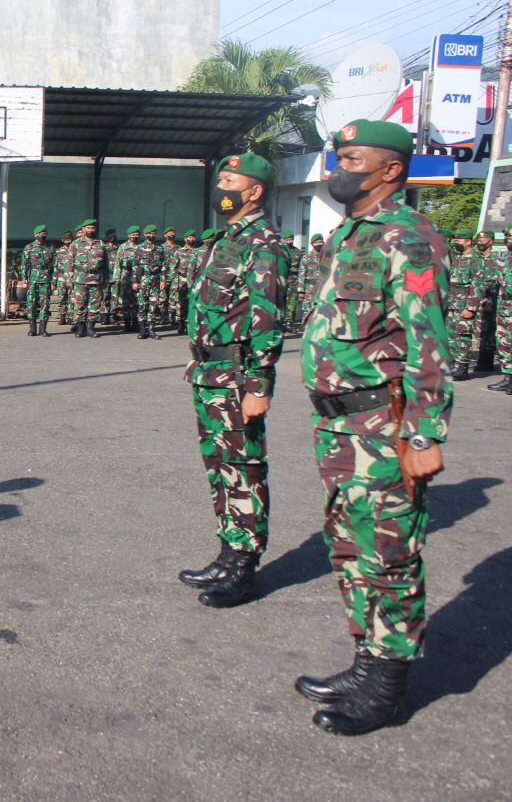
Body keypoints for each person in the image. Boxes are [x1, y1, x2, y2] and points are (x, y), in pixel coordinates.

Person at [296, 119, 451, 735]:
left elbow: (428, 340)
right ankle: (367, 659)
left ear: (389, 171)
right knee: (350, 547)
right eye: (339, 155)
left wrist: (423, 434)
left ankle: (387, 688)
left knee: (389, 553)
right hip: (341, 426)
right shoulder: (351, 237)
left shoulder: (410, 238)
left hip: (382, 425)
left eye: (351, 157)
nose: (339, 166)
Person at [177, 152, 287, 609]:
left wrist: (259, 384)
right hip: (209, 372)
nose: (220, 185)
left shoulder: (263, 243)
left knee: (243, 470)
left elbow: (267, 319)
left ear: (254, 190)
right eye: (220, 177)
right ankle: (227, 551)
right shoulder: (226, 240)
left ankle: (243, 568)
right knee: (220, 469)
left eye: (229, 179)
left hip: (237, 377)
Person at [445, 228, 480, 380]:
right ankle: (453, 363)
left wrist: (471, 308)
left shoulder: (475, 259)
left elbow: (477, 285)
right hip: (452, 303)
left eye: (459, 240)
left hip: (464, 304)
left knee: (463, 336)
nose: (456, 243)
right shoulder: (458, 258)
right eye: (456, 240)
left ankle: (462, 366)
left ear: (468, 242)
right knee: (451, 336)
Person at [68, 219, 107, 338]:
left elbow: (105, 263)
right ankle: (80, 329)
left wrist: (105, 279)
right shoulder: (76, 243)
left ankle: (90, 329)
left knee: (94, 305)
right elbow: (69, 263)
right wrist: (69, 279)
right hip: (80, 278)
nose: (90, 230)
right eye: (88, 228)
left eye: (92, 228)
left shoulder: (100, 243)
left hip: (96, 278)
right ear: (83, 229)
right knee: (80, 304)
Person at [473, 229, 501, 371]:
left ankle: (486, 360)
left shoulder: (497, 259)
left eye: (483, 240)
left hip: (490, 299)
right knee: (475, 330)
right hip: (474, 298)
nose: (480, 242)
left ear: (491, 241)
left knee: (488, 330)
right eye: (479, 240)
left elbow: (498, 281)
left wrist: (490, 298)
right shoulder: (475, 258)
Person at [132, 224, 166, 339]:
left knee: (154, 305)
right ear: (145, 234)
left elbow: (164, 266)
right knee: (142, 305)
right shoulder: (139, 248)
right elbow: (135, 266)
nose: (151, 235)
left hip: (156, 281)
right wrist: (135, 281)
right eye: (149, 233)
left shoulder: (160, 248)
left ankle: (151, 330)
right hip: (143, 280)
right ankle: (142, 330)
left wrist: (163, 280)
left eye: (153, 233)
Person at [20, 224, 55, 336]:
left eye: (44, 233)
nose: (41, 235)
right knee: (31, 304)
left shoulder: (51, 248)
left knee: (45, 305)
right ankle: (32, 328)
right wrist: (24, 279)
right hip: (32, 281)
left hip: (46, 281)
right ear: (35, 235)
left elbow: (56, 266)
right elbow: (24, 265)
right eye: (39, 234)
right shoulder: (28, 247)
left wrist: (54, 282)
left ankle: (43, 329)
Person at [488, 230, 512, 394]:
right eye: (508, 237)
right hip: (504, 307)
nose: (509, 240)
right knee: (504, 344)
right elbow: (497, 281)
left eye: (511, 237)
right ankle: (508, 377)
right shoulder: (507, 259)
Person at [170, 230, 202, 334]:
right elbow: (173, 268)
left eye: (193, 237)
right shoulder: (179, 252)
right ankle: (181, 323)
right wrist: (175, 283)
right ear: (185, 239)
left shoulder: (199, 251)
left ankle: (191, 324)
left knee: (193, 303)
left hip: (196, 281)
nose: (191, 239)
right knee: (181, 303)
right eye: (189, 237)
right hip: (182, 281)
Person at [113, 225, 141, 330]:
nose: (135, 236)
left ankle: (136, 322)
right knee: (125, 300)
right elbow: (117, 263)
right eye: (133, 234)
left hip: (137, 276)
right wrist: (116, 278)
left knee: (137, 300)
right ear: (129, 235)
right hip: (126, 274)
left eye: (137, 234)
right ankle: (127, 323)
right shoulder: (123, 247)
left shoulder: (141, 247)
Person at [295, 233, 325, 326]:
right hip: (310, 289)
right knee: (308, 310)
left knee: (322, 309)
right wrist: (301, 291)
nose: (319, 244)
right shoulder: (306, 258)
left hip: (323, 289)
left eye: (321, 242)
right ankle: (306, 328)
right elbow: (302, 274)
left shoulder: (326, 257)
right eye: (317, 242)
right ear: (312, 244)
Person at [51, 230, 75, 325]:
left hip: (72, 278)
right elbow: (55, 267)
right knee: (61, 298)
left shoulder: (75, 249)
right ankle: (62, 316)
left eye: (69, 239)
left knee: (72, 298)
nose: (67, 241)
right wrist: (54, 281)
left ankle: (70, 317)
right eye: (65, 239)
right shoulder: (59, 251)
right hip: (61, 278)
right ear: (62, 240)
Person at [280, 230, 302, 332]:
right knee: (280, 300)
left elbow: (302, 267)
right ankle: (281, 322)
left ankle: (289, 322)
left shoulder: (297, 251)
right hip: (282, 278)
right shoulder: (280, 250)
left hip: (294, 278)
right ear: (283, 240)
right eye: (287, 239)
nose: (289, 241)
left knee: (292, 301)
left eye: (291, 239)